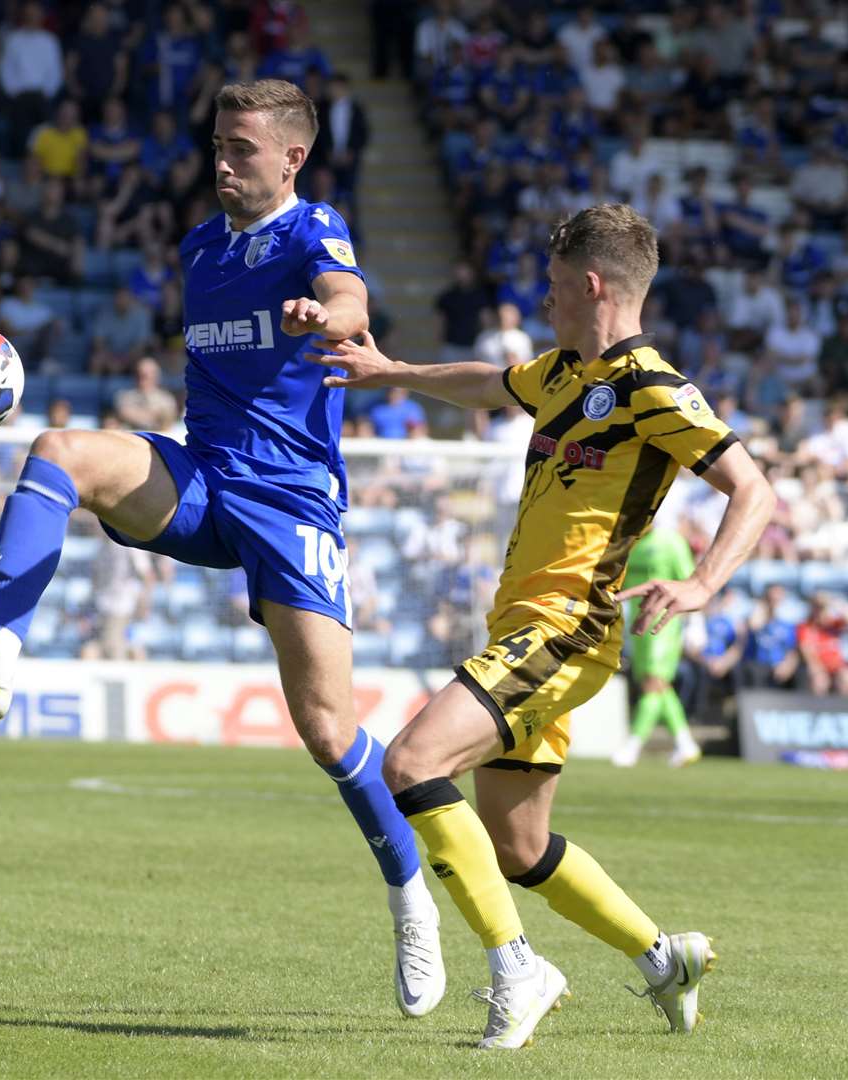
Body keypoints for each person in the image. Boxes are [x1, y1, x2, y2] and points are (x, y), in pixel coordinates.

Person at [0, 79, 444, 1018]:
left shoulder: (315, 230)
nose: (222, 161)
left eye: (241, 148)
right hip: (199, 481)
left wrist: (329, 317)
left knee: (326, 729)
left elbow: (349, 298)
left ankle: (407, 894)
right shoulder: (198, 246)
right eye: (218, 145)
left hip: (290, 504)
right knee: (58, 451)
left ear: (290, 158)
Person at [306, 204, 775, 1049]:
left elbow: (753, 488)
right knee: (517, 846)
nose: (545, 299)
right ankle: (662, 957)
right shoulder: (561, 373)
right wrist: (393, 372)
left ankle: (518, 967)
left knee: (410, 763)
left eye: (555, 287)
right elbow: (490, 383)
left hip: (565, 628)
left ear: (591, 284)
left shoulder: (653, 389)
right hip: (520, 628)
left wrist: (706, 580)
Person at [611, 526, 702, 769]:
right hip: (637, 622)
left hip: (664, 622)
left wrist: (696, 624)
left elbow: (691, 582)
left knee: (654, 682)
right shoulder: (630, 543)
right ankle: (685, 743)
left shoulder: (671, 541)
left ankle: (632, 746)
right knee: (657, 685)